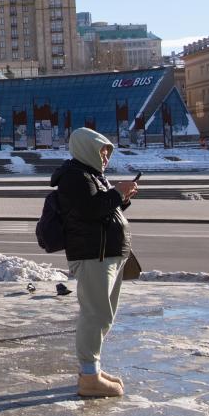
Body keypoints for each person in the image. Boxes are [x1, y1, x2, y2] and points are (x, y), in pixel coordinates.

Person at [53, 127, 139, 398]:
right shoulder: (75, 177)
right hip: (94, 256)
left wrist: (120, 197)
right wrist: (116, 194)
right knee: (95, 314)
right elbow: (89, 210)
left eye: (107, 153)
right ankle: (89, 376)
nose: (105, 158)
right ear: (87, 149)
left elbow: (99, 210)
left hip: (105, 254)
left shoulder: (91, 175)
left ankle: (94, 369)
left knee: (104, 314)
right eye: (102, 151)